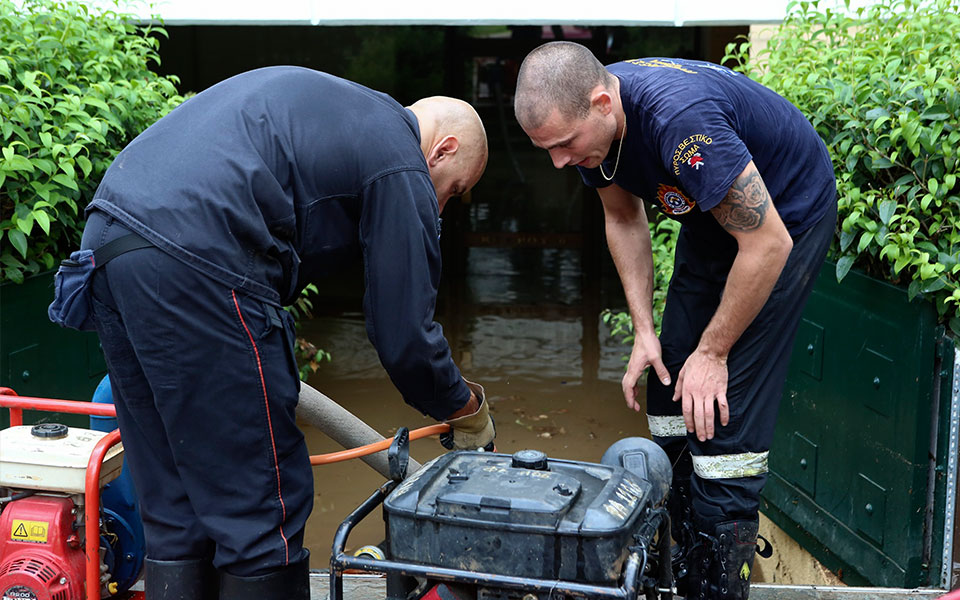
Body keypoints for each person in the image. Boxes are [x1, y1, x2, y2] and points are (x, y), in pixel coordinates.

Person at [69, 66, 493, 600]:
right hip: (196, 252)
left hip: (108, 239)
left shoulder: (345, 114)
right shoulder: (399, 156)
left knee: (173, 500)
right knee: (263, 508)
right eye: (452, 191)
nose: (440, 207)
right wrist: (463, 407)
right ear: (443, 150)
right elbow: (404, 334)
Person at [514, 42, 836, 599]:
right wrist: (644, 329)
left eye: (565, 145)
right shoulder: (595, 129)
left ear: (602, 103)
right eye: (547, 150)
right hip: (710, 220)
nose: (559, 162)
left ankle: (714, 583)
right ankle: (673, 565)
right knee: (668, 395)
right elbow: (622, 216)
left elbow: (765, 244)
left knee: (723, 422)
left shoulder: (680, 123)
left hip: (783, 225)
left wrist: (714, 355)